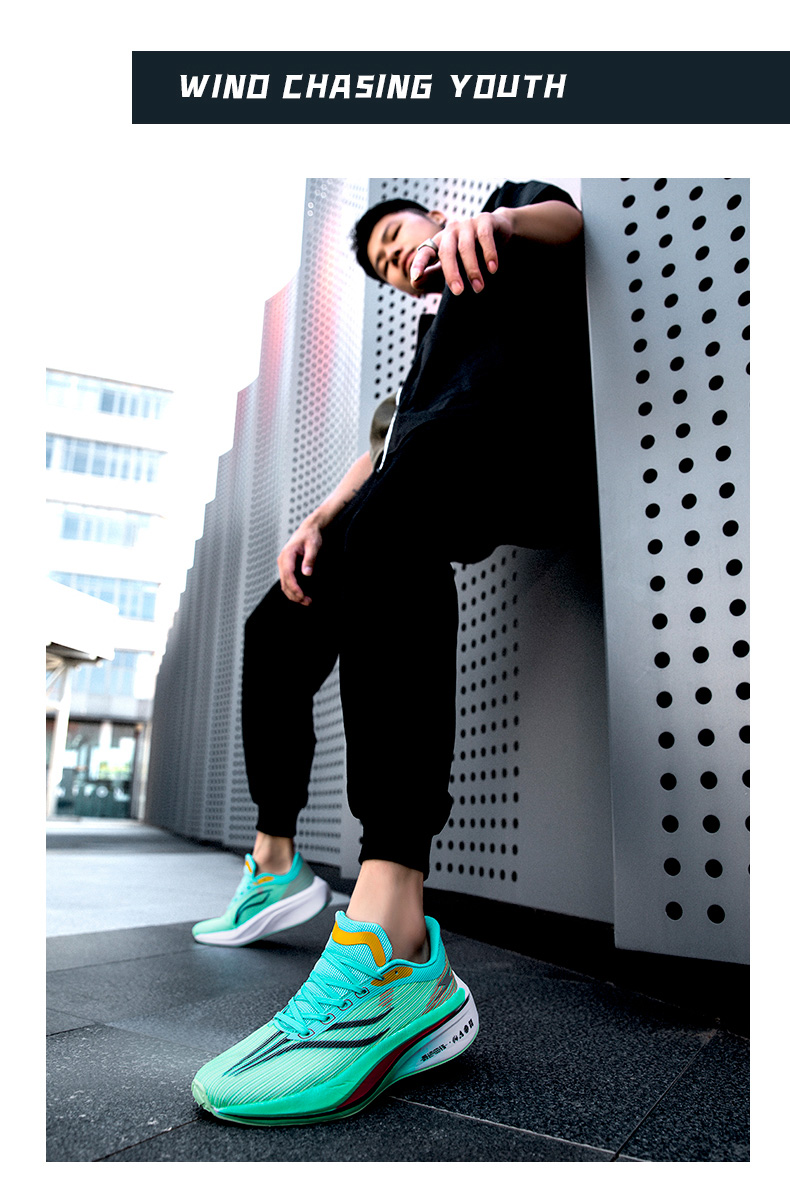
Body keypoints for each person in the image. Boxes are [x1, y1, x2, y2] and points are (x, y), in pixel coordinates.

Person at [190, 180, 597, 1126]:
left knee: (393, 517)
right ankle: (276, 861)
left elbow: (567, 220)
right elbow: (385, 447)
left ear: (434, 221)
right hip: (424, 463)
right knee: (277, 619)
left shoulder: (494, 234)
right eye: (381, 264)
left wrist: (496, 226)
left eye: (397, 240)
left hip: (531, 443)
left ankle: (393, 938)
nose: (395, 260)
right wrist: (321, 517)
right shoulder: (423, 346)